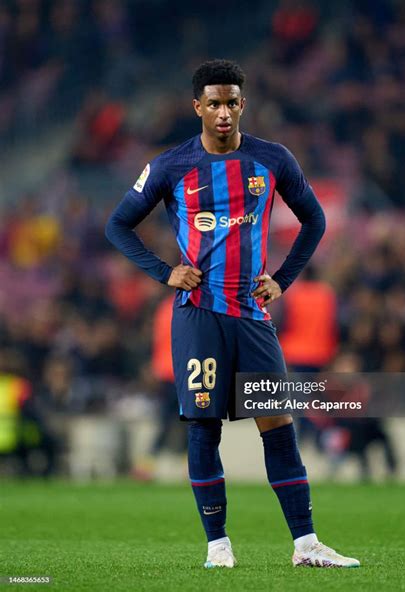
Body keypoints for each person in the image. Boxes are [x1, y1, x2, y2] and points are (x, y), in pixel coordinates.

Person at [106, 59, 359, 569]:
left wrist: (282, 280)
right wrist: (164, 271)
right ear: (197, 106)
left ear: (244, 104)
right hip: (198, 315)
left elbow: (314, 220)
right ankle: (218, 548)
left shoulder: (272, 160)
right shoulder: (170, 166)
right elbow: (118, 225)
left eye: (232, 102)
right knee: (203, 428)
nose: (224, 112)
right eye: (214, 103)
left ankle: (306, 545)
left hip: (251, 316)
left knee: (279, 424)